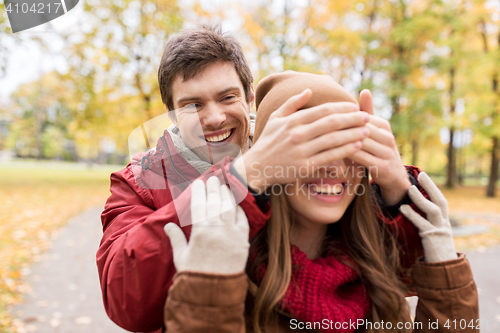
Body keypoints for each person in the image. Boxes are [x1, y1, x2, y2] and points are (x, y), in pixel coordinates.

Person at [97, 26, 426, 333]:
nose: (214, 118)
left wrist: (398, 192)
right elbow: (125, 298)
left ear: (249, 98)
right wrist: (244, 177)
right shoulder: (140, 180)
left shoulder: (299, 158)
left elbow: (395, 268)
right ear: (171, 113)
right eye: (193, 104)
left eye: (227, 98)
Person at [163, 71, 479, 333]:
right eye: (314, 147)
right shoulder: (228, 273)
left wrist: (445, 281)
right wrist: (206, 301)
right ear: (270, 159)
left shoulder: (379, 276)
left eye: (349, 145)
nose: (334, 167)